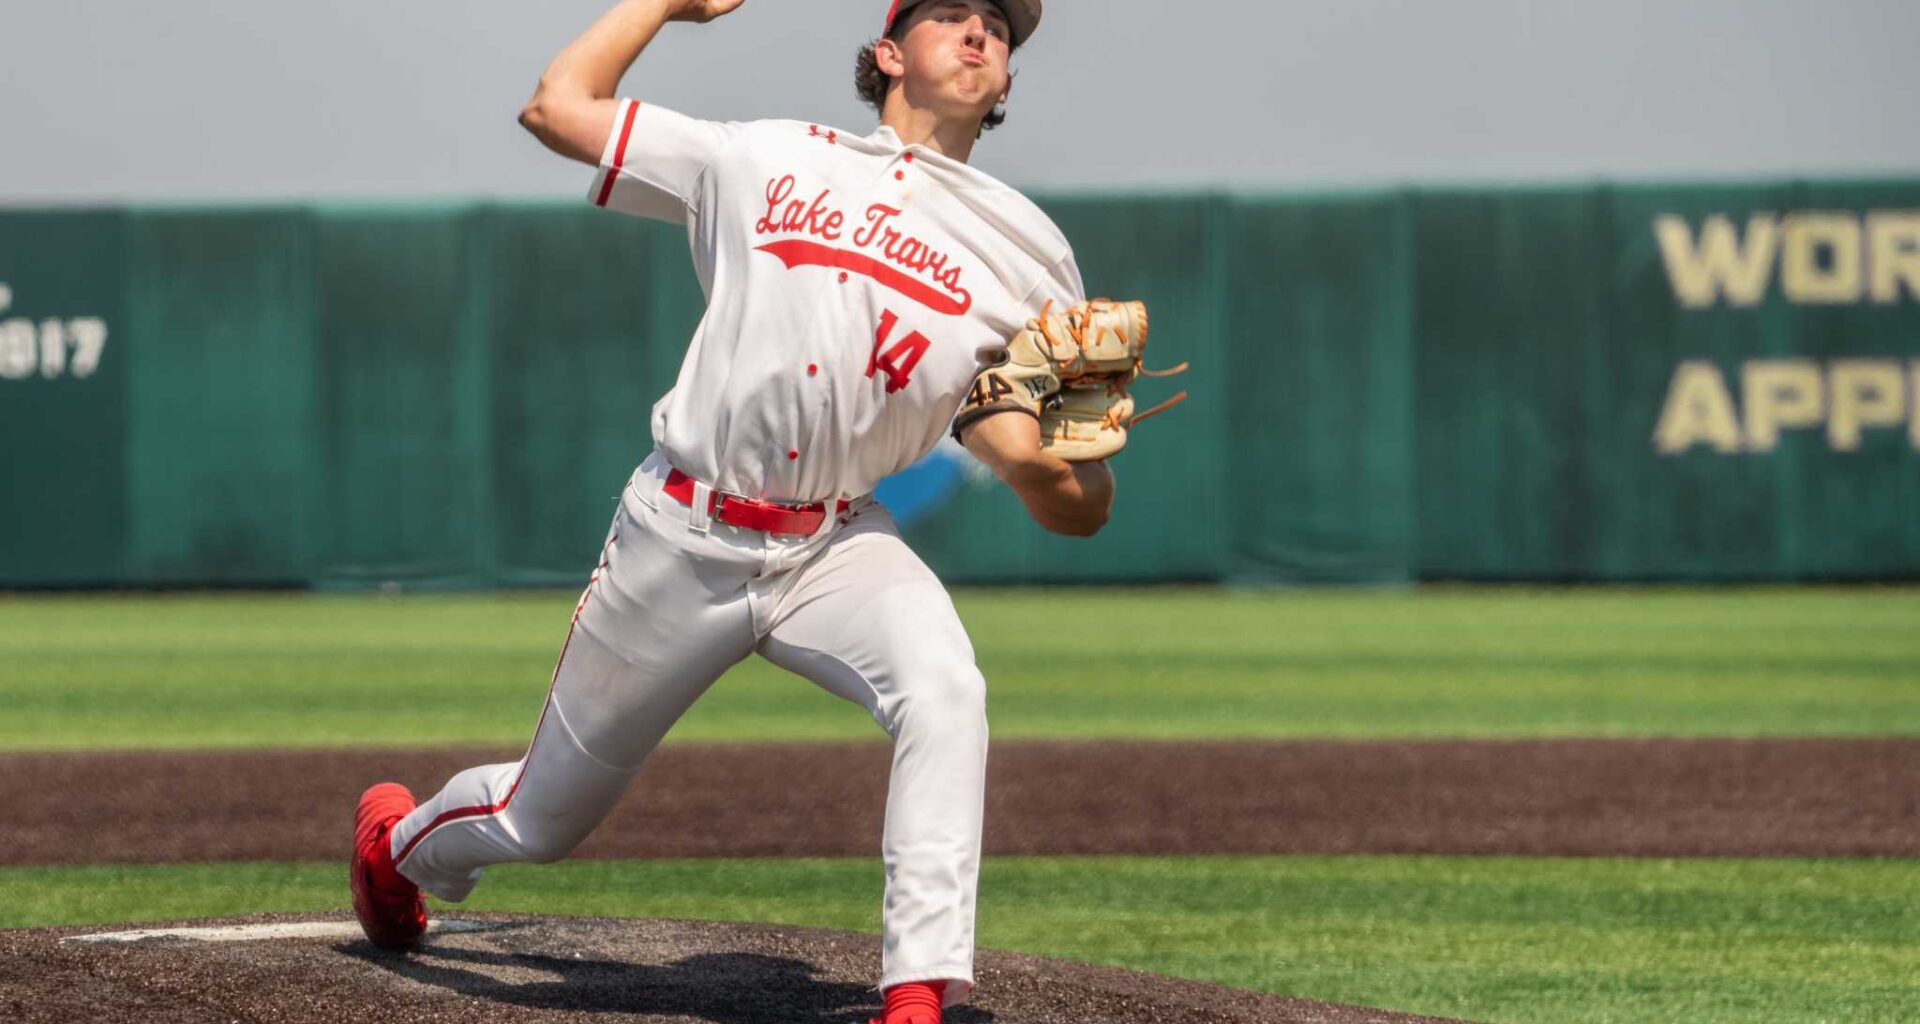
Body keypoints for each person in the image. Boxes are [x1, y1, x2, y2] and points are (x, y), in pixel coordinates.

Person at [349, 2, 1112, 1021]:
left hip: (837, 544)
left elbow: (1085, 508)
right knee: (543, 816)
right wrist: (664, 3)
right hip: (683, 533)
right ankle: (395, 850)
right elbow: (555, 108)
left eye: (1000, 29)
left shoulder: (1036, 256)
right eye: (949, 13)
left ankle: (920, 994)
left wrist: (1038, 465)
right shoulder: (762, 157)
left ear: (1008, 81)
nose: (980, 33)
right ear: (888, 52)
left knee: (947, 689)